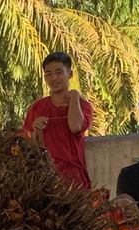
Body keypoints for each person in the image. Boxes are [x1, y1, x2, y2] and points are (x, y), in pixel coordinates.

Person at [22, 51, 95, 189]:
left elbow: (75, 127)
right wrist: (36, 129)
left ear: (70, 74)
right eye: (49, 74)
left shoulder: (82, 106)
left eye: (59, 72)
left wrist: (74, 97)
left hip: (74, 178)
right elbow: (26, 145)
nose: (54, 78)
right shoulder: (38, 107)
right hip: (44, 178)